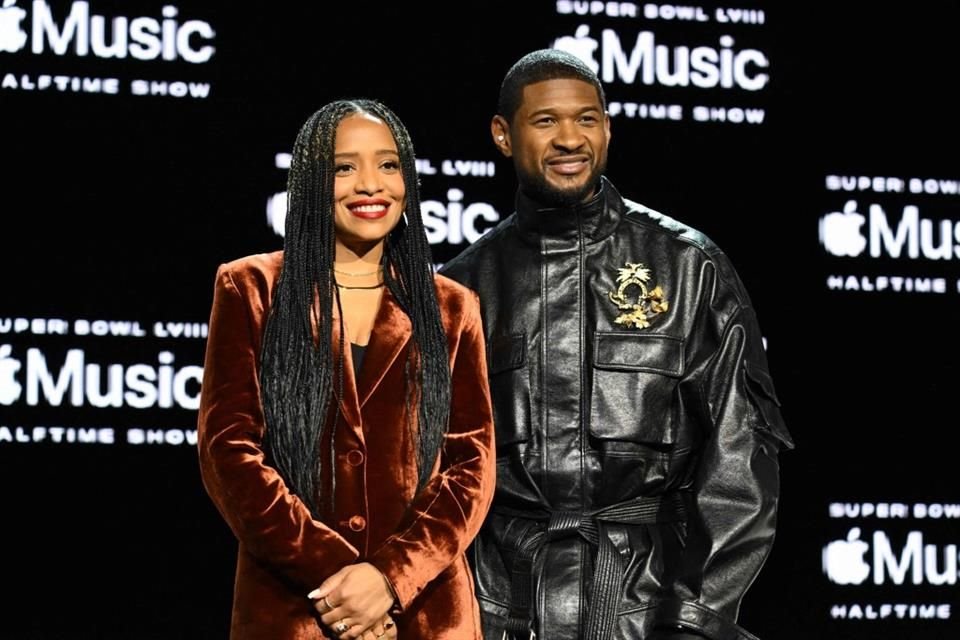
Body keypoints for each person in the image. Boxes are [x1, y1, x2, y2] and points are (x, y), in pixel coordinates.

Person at [439, 49, 795, 640]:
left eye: (586, 119)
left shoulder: (688, 267)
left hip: (646, 612)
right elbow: (428, 475)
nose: (569, 139)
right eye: (546, 121)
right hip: (494, 613)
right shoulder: (461, 287)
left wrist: (695, 620)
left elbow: (741, 461)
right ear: (503, 135)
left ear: (607, 127)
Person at [197, 98, 496, 639]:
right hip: (296, 610)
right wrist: (336, 577)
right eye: (344, 167)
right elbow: (230, 451)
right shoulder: (250, 289)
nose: (369, 184)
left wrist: (388, 580)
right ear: (312, 179)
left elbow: (471, 467)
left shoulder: (453, 307)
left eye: (387, 164)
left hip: (423, 614)